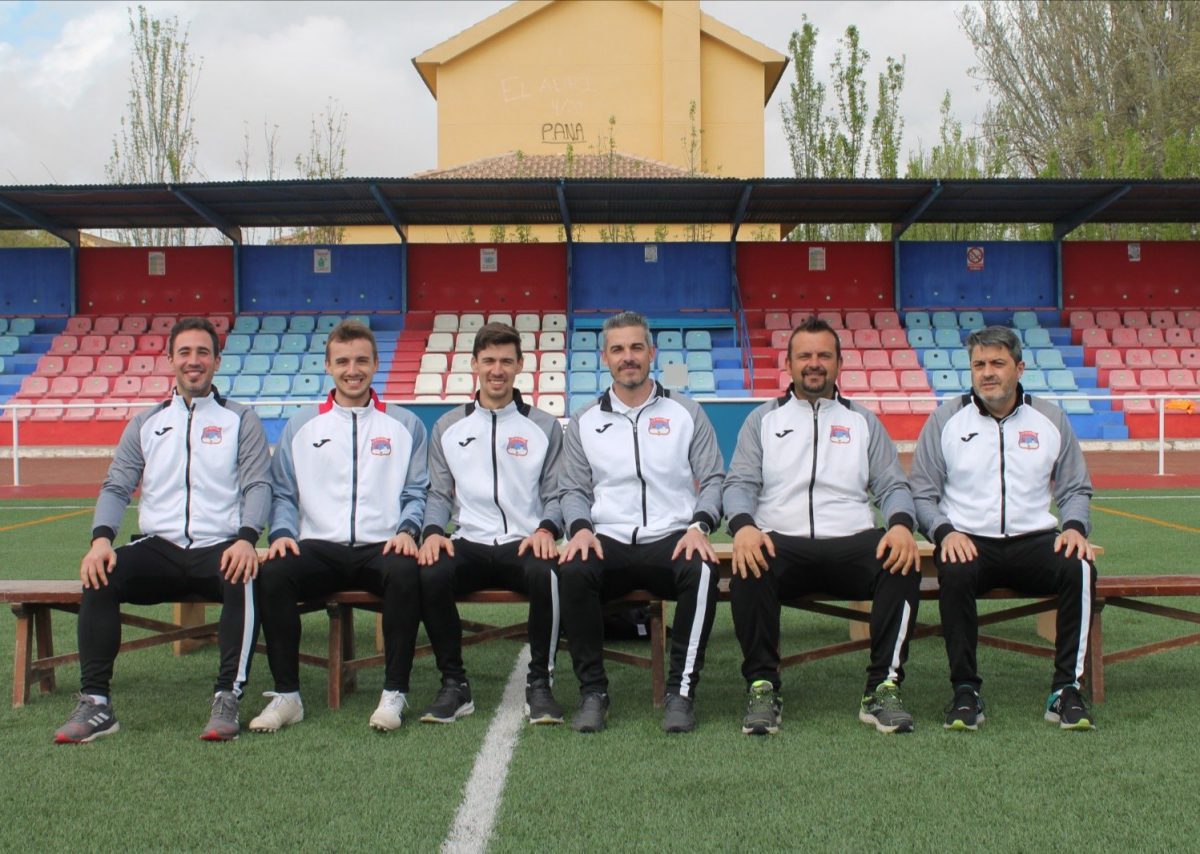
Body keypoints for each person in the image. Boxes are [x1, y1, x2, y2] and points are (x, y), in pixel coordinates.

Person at [55, 317, 271, 743]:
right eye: (185, 352)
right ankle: (96, 703)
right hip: (160, 546)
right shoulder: (146, 423)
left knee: (243, 574)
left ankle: (227, 695)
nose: (194, 361)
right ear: (170, 359)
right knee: (102, 573)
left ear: (217, 361)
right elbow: (117, 485)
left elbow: (257, 484)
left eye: (203, 353)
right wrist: (101, 540)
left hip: (220, 546)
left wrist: (247, 538)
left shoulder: (240, 420)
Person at [723, 316, 920, 736]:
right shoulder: (762, 420)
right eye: (805, 356)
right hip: (781, 540)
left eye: (824, 355)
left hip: (851, 539)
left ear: (839, 363)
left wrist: (901, 524)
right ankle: (762, 686)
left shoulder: (863, 421)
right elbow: (738, 483)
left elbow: (892, 484)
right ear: (789, 364)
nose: (815, 363)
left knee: (903, 561)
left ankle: (882, 687)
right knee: (748, 561)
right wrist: (742, 526)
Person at [910, 325, 1097, 731]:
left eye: (997, 363)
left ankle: (1066, 689)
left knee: (1079, 566)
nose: (987, 372)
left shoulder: (1050, 419)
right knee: (954, 571)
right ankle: (965, 691)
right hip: (969, 541)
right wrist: (944, 533)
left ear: (1019, 368)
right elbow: (921, 493)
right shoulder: (945, 420)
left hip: (1035, 540)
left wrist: (1076, 527)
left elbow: (1074, 487)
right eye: (979, 364)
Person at [249, 320, 428, 733]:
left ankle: (394, 692)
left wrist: (407, 530)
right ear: (328, 365)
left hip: (382, 544)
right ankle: (287, 695)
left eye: (362, 360)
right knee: (274, 574)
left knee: (406, 572)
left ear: (376, 364)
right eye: (343, 361)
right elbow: (282, 493)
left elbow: (417, 490)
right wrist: (280, 535)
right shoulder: (301, 425)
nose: (353, 370)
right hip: (318, 546)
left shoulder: (406, 425)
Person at [558, 311, 724, 734]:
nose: (627, 357)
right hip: (607, 538)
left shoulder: (687, 412)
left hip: (672, 536)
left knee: (703, 572)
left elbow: (714, 478)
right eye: (618, 349)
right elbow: (573, 488)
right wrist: (579, 528)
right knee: (571, 571)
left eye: (636, 348)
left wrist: (699, 525)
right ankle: (593, 692)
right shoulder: (584, 421)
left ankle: (680, 692)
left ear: (652, 353)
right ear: (605, 357)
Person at [418, 322, 566, 725]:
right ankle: (454, 684)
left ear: (520, 365)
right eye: (488, 361)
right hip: (469, 541)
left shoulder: (545, 426)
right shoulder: (448, 427)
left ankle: (540, 684)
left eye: (505, 361)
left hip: (525, 542)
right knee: (429, 573)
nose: (496, 370)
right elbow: (437, 493)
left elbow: (556, 494)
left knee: (548, 575)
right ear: (474, 365)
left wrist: (547, 530)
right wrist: (432, 532)